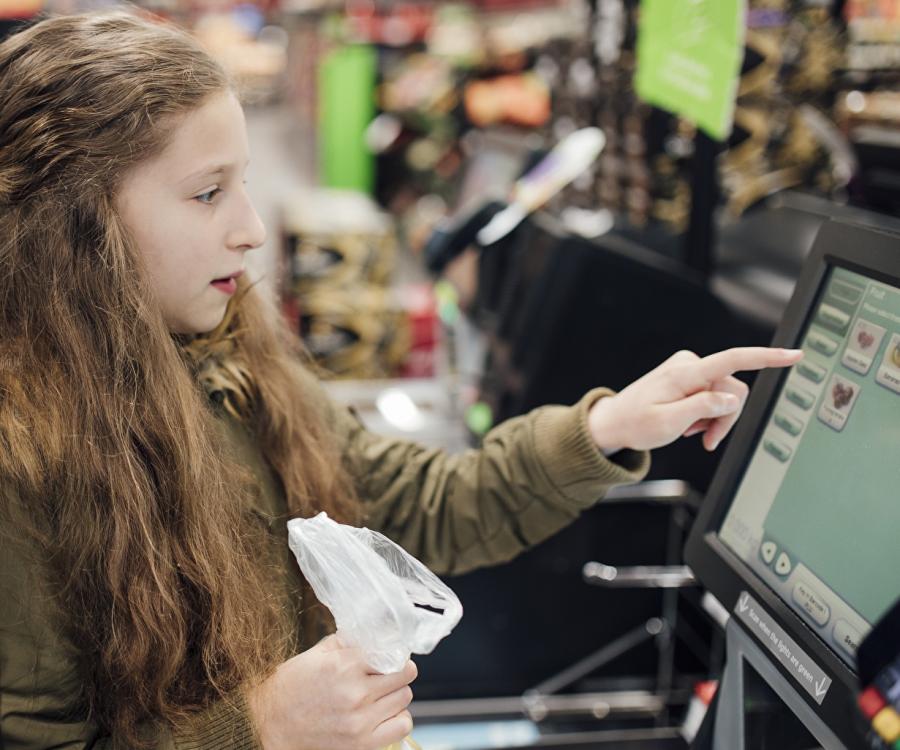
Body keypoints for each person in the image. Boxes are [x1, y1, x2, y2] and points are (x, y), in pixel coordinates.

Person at [0, 9, 802, 750]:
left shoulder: (230, 356)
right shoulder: (23, 458)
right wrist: (259, 726)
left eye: (243, 182)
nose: (249, 229)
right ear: (73, 225)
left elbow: (416, 505)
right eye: (208, 192)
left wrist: (607, 429)